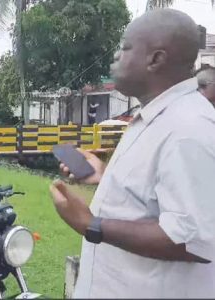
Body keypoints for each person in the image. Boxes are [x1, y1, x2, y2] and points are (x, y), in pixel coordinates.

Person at [49, 9, 215, 298]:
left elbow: (194, 241)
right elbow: (154, 196)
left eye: (125, 48)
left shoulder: (188, 129)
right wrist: (103, 176)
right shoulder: (153, 116)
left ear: (156, 59)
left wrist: (92, 225)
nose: (115, 56)